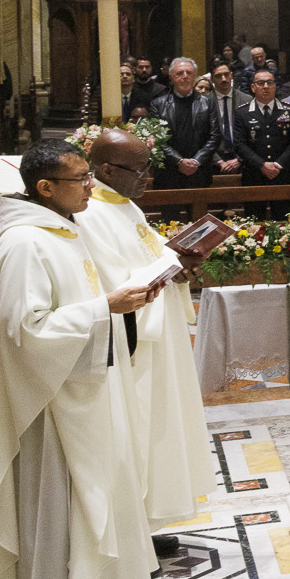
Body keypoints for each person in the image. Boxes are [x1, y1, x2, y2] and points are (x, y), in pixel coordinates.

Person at [0, 139, 156, 579]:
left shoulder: (61, 230)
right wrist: (105, 306)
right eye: (80, 178)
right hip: (49, 406)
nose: (91, 185)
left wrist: (120, 304)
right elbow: (25, 330)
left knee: (90, 509)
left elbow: (76, 306)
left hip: (81, 392)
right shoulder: (25, 243)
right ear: (46, 187)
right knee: (57, 516)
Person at [75, 129, 212, 555]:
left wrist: (179, 265)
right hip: (132, 342)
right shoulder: (91, 214)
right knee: (136, 432)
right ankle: (128, 535)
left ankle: (143, 525)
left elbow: (148, 259)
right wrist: (170, 266)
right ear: (105, 169)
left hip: (156, 334)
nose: (147, 177)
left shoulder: (124, 204)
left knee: (153, 432)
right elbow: (114, 284)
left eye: (148, 167)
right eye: (139, 169)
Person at [235, 70, 290, 219]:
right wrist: (262, 165)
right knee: (254, 221)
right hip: (254, 175)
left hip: (282, 174)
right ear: (253, 87)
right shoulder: (242, 112)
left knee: (284, 221)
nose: (265, 86)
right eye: (260, 83)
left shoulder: (289, 110)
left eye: (269, 83)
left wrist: (278, 164)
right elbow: (239, 144)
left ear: (275, 86)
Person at [150, 58, 217, 190]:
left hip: (199, 172)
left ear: (195, 77)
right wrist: (179, 161)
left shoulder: (208, 103)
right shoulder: (158, 104)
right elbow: (156, 138)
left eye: (189, 73)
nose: (185, 76)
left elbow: (215, 136)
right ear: (171, 76)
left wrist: (196, 161)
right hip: (168, 173)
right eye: (180, 73)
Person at [206, 62, 252, 177]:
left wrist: (239, 159)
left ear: (231, 75)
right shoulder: (203, 102)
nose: (223, 79)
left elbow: (252, 134)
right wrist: (218, 161)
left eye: (226, 75)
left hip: (243, 160)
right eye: (218, 76)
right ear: (212, 79)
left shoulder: (247, 100)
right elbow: (202, 136)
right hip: (213, 162)